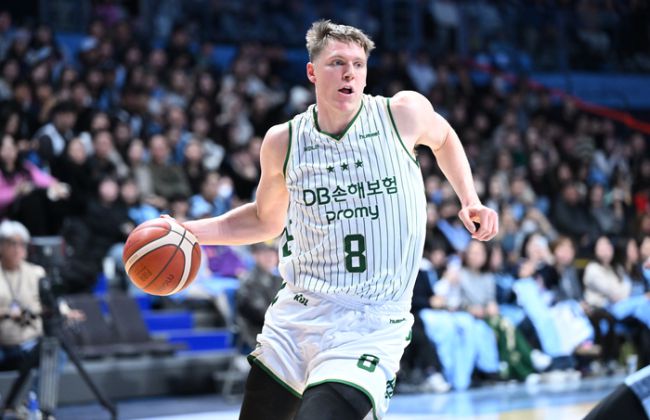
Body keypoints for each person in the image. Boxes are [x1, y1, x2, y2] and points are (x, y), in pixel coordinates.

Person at [178, 20, 498, 420]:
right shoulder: (283, 141)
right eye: (337, 63)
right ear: (312, 71)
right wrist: (188, 232)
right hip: (298, 316)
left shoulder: (401, 114)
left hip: (372, 322)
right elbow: (265, 219)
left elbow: (445, 136)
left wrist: (470, 199)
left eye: (358, 64)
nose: (350, 73)